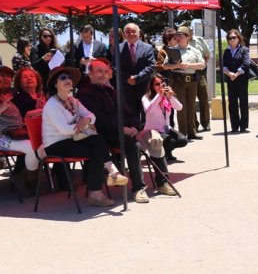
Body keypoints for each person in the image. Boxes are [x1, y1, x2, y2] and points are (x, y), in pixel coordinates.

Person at [42, 66, 129, 208]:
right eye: (63, 78)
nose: (68, 80)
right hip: (55, 144)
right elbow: (65, 130)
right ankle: (105, 182)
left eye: (69, 77)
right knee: (96, 148)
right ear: (55, 84)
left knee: (97, 142)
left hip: (72, 139)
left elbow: (91, 115)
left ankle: (107, 181)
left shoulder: (73, 100)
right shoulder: (51, 105)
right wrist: (86, 125)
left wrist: (86, 120)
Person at [78, 58, 149, 203]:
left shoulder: (111, 91)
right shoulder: (84, 94)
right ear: (90, 74)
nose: (103, 75)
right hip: (102, 134)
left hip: (120, 132)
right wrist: (122, 129)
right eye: (99, 71)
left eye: (105, 72)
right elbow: (98, 118)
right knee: (132, 144)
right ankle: (138, 187)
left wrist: (135, 127)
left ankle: (139, 188)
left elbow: (128, 112)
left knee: (136, 142)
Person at [136, 74, 181, 196]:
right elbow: (149, 110)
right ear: (151, 86)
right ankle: (162, 183)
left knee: (181, 140)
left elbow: (179, 107)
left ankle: (162, 181)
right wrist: (158, 96)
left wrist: (171, 97)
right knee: (158, 141)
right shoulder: (146, 98)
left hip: (164, 129)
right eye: (157, 84)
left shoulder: (166, 97)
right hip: (150, 130)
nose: (160, 86)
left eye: (162, 83)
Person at [0, 66, 39, 196]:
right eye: (1, 75)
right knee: (33, 147)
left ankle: (25, 179)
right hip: (3, 137)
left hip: (14, 134)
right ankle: (26, 181)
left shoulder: (9, 95)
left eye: (7, 76)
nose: (4, 78)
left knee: (38, 145)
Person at [162, 27, 206, 140]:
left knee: (191, 107)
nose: (178, 37)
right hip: (179, 81)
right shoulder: (172, 50)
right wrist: (176, 66)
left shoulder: (194, 50)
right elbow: (165, 65)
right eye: (177, 35)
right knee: (181, 108)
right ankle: (183, 133)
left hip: (192, 81)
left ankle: (192, 132)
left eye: (181, 35)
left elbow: (202, 64)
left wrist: (189, 65)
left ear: (187, 37)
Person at [118, 23, 155, 124]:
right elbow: (115, 67)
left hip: (143, 87)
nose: (131, 34)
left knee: (146, 115)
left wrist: (137, 78)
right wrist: (128, 78)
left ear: (139, 33)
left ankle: (147, 136)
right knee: (130, 116)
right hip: (126, 88)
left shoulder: (148, 48)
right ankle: (134, 137)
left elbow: (151, 66)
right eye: (128, 32)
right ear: (124, 34)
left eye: (133, 31)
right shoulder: (118, 48)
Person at [181, 25, 212, 133]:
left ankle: (206, 123)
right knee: (191, 100)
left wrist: (201, 66)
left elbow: (207, 55)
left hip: (200, 73)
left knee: (203, 97)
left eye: (192, 30)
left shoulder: (199, 40)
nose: (191, 32)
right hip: (188, 75)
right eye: (189, 31)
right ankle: (194, 124)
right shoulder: (180, 43)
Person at [222, 29, 252, 133]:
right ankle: (234, 126)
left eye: (234, 37)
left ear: (238, 38)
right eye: (229, 38)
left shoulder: (244, 50)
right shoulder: (226, 51)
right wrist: (229, 73)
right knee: (232, 103)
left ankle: (243, 126)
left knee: (243, 102)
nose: (231, 40)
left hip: (242, 80)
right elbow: (223, 65)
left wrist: (236, 74)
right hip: (230, 80)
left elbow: (246, 63)